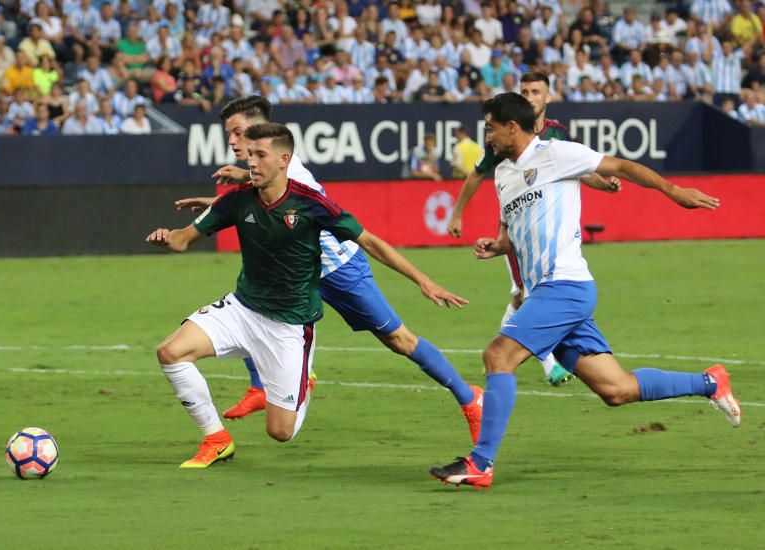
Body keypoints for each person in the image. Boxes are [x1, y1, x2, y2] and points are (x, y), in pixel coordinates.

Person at [429, 93, 739, 490]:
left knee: (497, 355)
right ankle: (710, 382)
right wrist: (498, 245)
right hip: (550, 292)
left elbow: (622, 166)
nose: (486, 135)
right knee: (616, 389)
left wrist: (673, 191)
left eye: (490, 127)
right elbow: (512, 229)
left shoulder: (557, 154)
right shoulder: (503, 175)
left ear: (511, 126)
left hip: (565, 286)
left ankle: (481, 462)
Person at [150, 122, 469, 468]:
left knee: (280, 432)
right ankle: (216, 438)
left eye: (260, 155)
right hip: (243, 309)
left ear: (284, 160)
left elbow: (370, 241)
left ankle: (302, 380)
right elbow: (183, 239)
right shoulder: (237, 201)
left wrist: (423, 280)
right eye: (250, 155)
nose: (251, 163)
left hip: (289, 325)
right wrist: (168, 238)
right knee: (170, 352)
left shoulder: (311, 204)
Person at [446, 71, 621, 386]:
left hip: (555, 235)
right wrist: (458, 212)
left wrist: (604, 185)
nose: (529, 96)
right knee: (526, 294)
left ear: (548, 97)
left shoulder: (558, 136)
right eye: (524, 91)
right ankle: (543, 363)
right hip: (518, 228)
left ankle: (513, 355)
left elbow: (583, 169)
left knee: (524, 299)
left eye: (536, 91)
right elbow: (477, 174)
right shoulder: (500, 137)